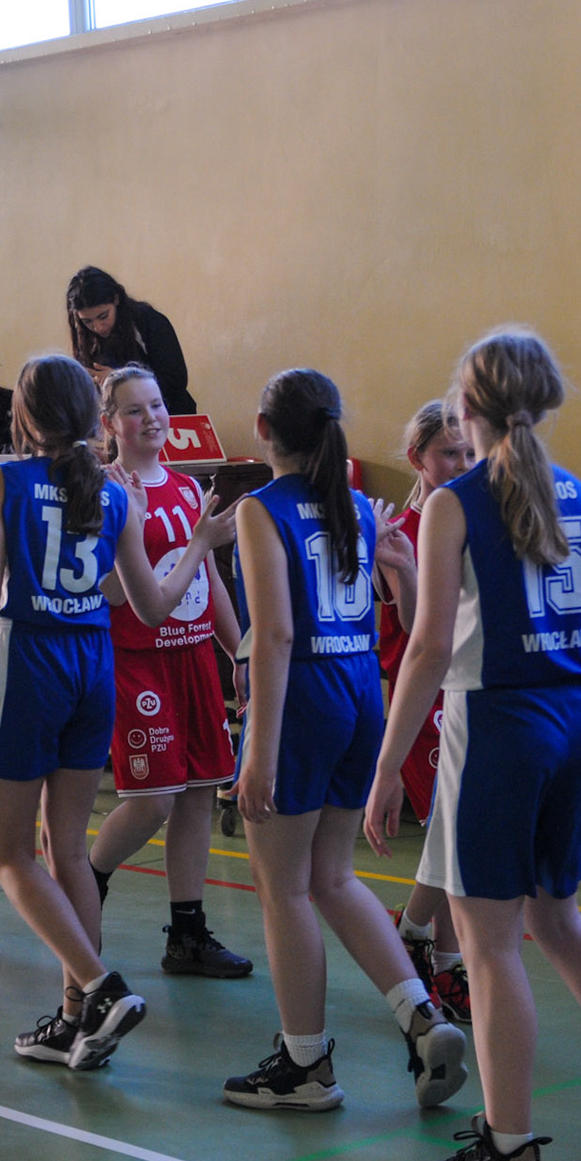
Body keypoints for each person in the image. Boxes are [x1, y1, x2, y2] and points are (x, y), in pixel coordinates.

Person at [366, 330, 581, 1161]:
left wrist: (386, 765)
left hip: (496, 721)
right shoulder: (577, 492)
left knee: (489, 947)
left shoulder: (455, 502)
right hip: (574, 716)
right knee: (558, 919)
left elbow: (427, 648)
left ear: (465, 408)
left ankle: (510, 1148)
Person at [0, 354, 226, 1072]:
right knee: (69, 850)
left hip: (31, 661)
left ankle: (99, 986)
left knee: (9, 852)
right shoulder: (115, 494)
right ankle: (76, 1016)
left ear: (23, 415)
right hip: (94, 665)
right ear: (93, 417)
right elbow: (151, 604)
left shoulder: (7, 481)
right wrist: (201, 546)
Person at [223, 367, 467, 1115]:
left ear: (264, 430)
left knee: (284, 886)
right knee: (332, 876)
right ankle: (420, 1015)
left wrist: (259, 751)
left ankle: (306, 1063)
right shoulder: (357, 504)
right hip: (360, 692)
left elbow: (274, 634)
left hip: (303, 697)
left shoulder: (260, 510)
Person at [86, 366, 252, 978]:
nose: (151, 417)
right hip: (138, 664)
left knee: (198, 795)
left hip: (193, 659)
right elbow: (107, 591)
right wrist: (193, 545)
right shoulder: (105, 492)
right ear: (109, 424)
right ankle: (86, 878)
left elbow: (208, 580)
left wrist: (239, 652)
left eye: (156, 405)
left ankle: (187, 933)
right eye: (134, 410)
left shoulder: (185, 488)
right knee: (153, 800)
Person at [377, 401, 473, 1023]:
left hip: (468, 686)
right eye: (448, 453)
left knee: (457, 830)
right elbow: (415, 628)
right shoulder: (400, 529)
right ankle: (415, 931)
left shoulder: (470, 514)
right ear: (417, 458)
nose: (461, 462)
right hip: (421, 695)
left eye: (468, 452)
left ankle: (444, 960)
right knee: (451, 828)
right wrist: (407, 569)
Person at [66, 266, 196, 415]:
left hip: (171, 413)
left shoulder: (149, 321)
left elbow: (176, 380)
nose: (98, 327)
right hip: (122, 420)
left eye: (103, 316)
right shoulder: (84, 336)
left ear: (116, 299)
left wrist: (120, 381)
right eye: (87, 321)